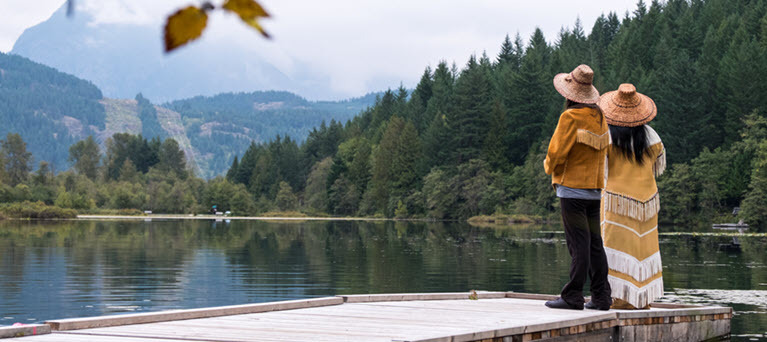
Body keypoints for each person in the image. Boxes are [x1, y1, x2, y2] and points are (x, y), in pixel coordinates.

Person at [543, 64, 612, 311]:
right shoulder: (600, 116)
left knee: (578, 245)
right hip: (594, 191)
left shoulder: (570, 117)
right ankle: (602, 297)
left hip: (571, 189)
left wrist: (548, 166)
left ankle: (572, 296)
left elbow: (556, 152)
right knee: (595, 244)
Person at [597, 83, 665, 309]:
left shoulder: (607, 135)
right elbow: (658, 163)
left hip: (617, 200)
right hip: (647, 199)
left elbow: (600, 165)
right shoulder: (651, 136)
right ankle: (642, 299)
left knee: (613, 248)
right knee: (643, 247)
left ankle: (619, 298)